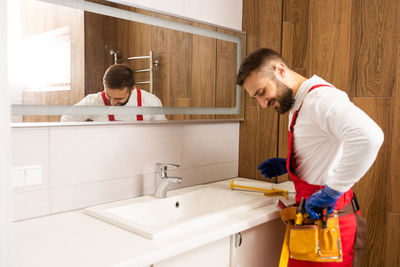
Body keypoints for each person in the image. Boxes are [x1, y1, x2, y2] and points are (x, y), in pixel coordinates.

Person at [236, 48, 383, 266]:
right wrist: (290, 164)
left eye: (261, 92)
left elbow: (370, 137)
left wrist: (332, 191)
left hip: (331, 228)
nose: (262, 103)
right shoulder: (300, 102)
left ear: (280, 70)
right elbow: (326, 149)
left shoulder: (320, 100)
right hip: (315, 224)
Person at [61, 64, 167, 122]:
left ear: (132, 89)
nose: (112, 103)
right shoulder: (93, 101)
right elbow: (66, 119)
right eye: (108, 96)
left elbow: (163, 134)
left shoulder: (151, 102)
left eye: (119, 99)